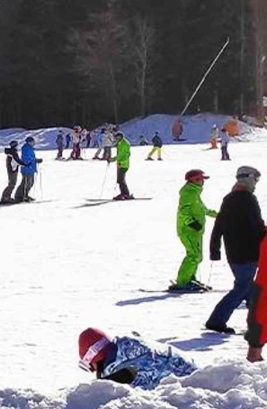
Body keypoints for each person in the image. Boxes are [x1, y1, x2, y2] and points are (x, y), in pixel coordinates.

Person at [206, 166, 265, 334]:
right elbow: (257, 226)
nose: (256, 183)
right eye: (256, 180)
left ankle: (259, 321)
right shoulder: (248, 199)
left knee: (249, 289)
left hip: (234, 253)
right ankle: (216, 321)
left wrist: (215, 248)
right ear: (249, 179)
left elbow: (219, 224)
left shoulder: (229, 198)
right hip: (248, 252)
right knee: (242, 287)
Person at [78, 328, 195, 389]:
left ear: (95, 357)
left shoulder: (122, 372)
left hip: (189, 388)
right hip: (194, 372)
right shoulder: (127, 348)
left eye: (91, 367)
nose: (93, 371)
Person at [172, 169, 218, 292]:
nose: (203, 182)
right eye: (201, 179)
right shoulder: (188, 193)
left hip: (195, 231)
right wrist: (192, 223)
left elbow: (203, 210)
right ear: (194, 180)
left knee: (197, 256)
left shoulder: (195, 193)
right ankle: (182, 282)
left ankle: (190, 278)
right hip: (188, 230)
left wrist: (220, 215)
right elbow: (184, 211)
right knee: (193, 255)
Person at [114, 131, 133, 200]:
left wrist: (121, 162)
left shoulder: (125, 144)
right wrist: (112, 159)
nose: (117, 139)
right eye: (116, 138)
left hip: (124, 165)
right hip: (120, 164)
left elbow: (126, 155)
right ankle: (123, 193)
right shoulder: (120, 143)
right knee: (120, 180)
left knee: (121, 180)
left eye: (118, 137)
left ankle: (126, 194)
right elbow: (119, 155)